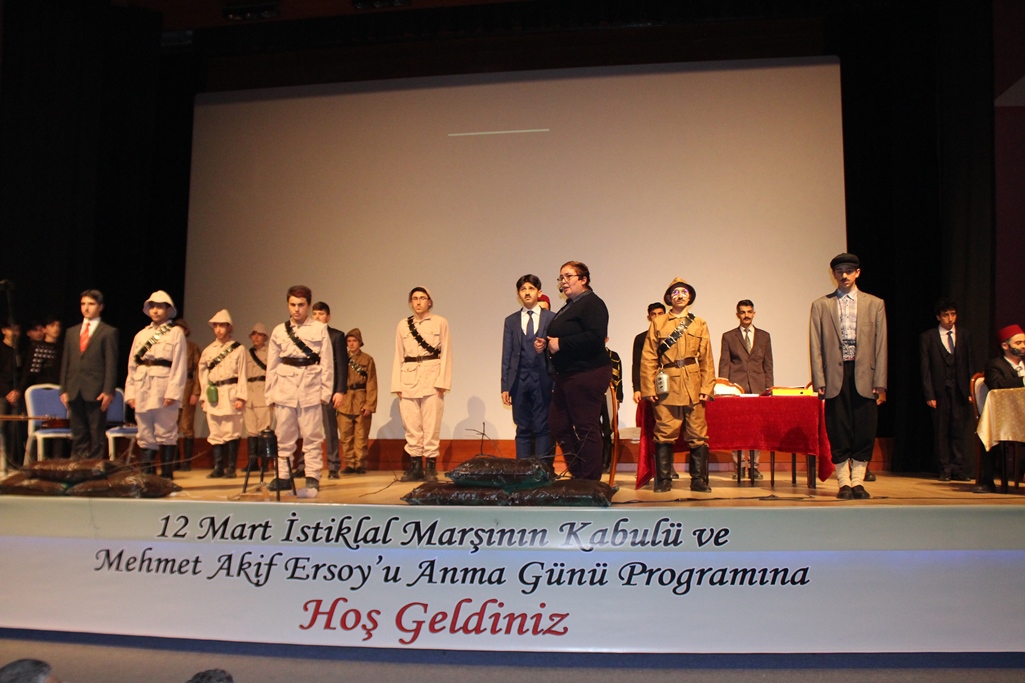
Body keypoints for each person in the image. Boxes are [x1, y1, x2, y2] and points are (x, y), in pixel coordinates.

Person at [809, 253, 887, 500]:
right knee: (838, 427)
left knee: (865, 428)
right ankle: (843, 481)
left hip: (865, 375)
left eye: (849, 271)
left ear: (857, 273)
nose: (844, 275)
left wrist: (880, 381)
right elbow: (815, 345)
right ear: (833, 274)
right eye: (839, 271)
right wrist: (819, 380)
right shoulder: (821, 305)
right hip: (835, 374)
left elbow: (881, 344)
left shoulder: (874, 304)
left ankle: (858, 481)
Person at [640, 277, 714, 492]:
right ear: (669, 297)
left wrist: (707, 388)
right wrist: (648, 388)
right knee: (664, 430)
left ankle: (699, 480)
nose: (680, 296)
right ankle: (664, 480)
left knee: (698, 433)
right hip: (667, 384)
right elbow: (649, 357)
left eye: (684, 292)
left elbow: (707, 358)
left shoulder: (699, 323)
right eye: (675, 292)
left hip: (693, 383)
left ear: (690, 297)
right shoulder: (658, 323)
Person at [539, 261, 612, 481]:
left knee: (585, 427)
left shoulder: (592, 303)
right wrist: (547, 344)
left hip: (587, 372)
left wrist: (561, 343)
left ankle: (589, 481)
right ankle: (580, 474)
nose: (563, 281)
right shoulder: (570, 305)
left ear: (583, 279)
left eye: (568, 276)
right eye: (561, 277)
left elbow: (596, 336)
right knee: (558, 423)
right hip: (566, 376)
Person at [265, 285, 334, 494]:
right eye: (293, 304)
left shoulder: (319, 329)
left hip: (310, 387)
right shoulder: (279, 330)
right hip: (284, 387)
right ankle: (283, 475)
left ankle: (312, 475)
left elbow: (327, 363)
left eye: (301, 305)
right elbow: (272, 364)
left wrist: (325, 392)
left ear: (308, 305)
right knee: (283, 435)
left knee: (312, 436)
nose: (297, 309)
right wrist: (270, 393)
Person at [126, 290, 188, 479]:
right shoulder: (141, 335)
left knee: (166, 431)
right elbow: (132, 366)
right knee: (144, 432)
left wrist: (173, 393)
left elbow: (179, 365)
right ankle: (147, 475)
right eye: (152, 306)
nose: (155, 310)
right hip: (141, 386)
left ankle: (167, 474)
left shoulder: (176, 333)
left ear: (168, 310)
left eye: (160, 307)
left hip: (163, 387)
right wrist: (130, 393)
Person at [394, 286, 451, 483]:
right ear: (410, 302)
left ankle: (431, 468)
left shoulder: (440, 322)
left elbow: (446, 353)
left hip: (432, 379)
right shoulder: (403, 325)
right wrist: (397, 384)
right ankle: (415, 467)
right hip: (408, 379)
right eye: (415, 298)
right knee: (411, 426)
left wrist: (443, 381)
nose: (418, 302)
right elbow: (398, 355)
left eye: (422, 298)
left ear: (430, 301)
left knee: (431, 425)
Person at [59, 289, 118, 460]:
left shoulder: (108, 332)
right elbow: (66, 361)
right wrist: (63, 389)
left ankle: (95, 467)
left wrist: (108, 390)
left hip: (96, 389)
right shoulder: (71, 332)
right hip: (74, 387)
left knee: (96, 432)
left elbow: (111, 363)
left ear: (100, 307)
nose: (86, 308)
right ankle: (77, 465)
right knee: (78, 432)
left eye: (91, 304)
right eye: (83, 304)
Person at [501, 274, 555, 459]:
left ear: (539, 292)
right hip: (519, 380)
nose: (527, 292)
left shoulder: (551, 318)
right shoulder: (511, 321)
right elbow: (507, 355)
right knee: (522, 427)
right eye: (523, 289)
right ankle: (523, 470)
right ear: (518, 294)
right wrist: (505, 386)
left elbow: (558, 351)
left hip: (543, 379)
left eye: (531, 288)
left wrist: (545, 347)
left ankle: (541, 470)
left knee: (542, 427)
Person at [919, 298, 974, 482]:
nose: (950, 319)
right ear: (938, 317)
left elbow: (970, 364)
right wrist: (929, 394)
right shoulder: (929, 337)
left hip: (960, 390)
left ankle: (959, 467)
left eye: (953, 314)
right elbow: (925, 368)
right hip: (939, 390)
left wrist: (971, 390)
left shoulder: (964, 335)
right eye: (946, 315)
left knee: (958, 428)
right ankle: (945, 468)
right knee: (941, 430)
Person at [718, 299, 774, 479]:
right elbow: (724, 363)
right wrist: (723, 387)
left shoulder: (764, 336)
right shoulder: (729, 336)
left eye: (749, 312)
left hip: (758, 387)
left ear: (754, 313)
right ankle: (740, 467)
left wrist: (769, 387)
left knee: (756, 428)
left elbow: (768, 364)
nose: (746, 315)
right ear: (738, 315)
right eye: (743, 312)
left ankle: (754, 467)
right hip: (737, 388)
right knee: (738, 428)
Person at [976, 324, 1025, 493]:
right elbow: (997, 384)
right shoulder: (995, 365)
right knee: (994, 429)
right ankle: (987, 480)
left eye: (1024, 342)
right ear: (1005, 345)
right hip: (1006, 418)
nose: (1023, 346)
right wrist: (1023, 380)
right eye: (1018, 343)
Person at [198, 309, 247, 478]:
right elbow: (203, 374)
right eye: (215, 326)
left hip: (231, 393)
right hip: (214, 394)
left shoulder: (238, 349)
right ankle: (218, 467)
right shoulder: (208, 351)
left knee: (232, 431)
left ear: (229, 327)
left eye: (222, 325)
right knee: (215, 432)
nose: (218, 329)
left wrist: (241, 396)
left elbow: (242, 374)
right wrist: (203, 396)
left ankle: (231, 468)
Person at [311, 301, 347, 478]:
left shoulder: (336, 336)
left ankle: (333, 466)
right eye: (315, 314)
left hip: (328, 389)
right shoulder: (307, 336)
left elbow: (342, 365)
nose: (317, 317)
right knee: (307, 429)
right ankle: (304, 465)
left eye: (321, 314)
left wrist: (340, 390)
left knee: (330, 429)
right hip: (309, 387)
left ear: (328, 317)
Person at [338, 328, 378, 474]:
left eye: (354, 341)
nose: (351, 344)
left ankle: (360, 463)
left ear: (360, 342)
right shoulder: (341, 359)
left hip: (361, 398)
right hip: (345, 399)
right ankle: (349, 463)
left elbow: (372, 383)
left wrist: (369, 404)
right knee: (345, 435)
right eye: (349, 341)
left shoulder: (367, 359)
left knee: (361, 435)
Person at [243, 322, 271, 469]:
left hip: (263, 392)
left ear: (264, 337)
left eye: (259, 335)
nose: (256, 337)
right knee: (251, 429)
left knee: (264, 428)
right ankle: (252, 462)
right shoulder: (246, 354)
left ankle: (265, 462)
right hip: (249, 393)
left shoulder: (270, 353)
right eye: (254, 334)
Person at [175, 318, 202, 471]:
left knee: (187, 425)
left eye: (181, 329)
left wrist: (196, 391)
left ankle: (187, 462)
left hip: (187, 385)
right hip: (172, 387)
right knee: (171, 426)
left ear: (186, 331)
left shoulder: (192, 347)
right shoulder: (169, 347)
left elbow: (199, 371)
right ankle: (174, 461)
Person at [632, 302, 666, 405]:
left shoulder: (672, 336)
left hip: (670, 381)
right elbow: (637, 364)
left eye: (660, 314)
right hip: (649, 383)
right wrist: (637, 389)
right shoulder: (641, 338)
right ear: (649, 317)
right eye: (653, 314)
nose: (657, 317)